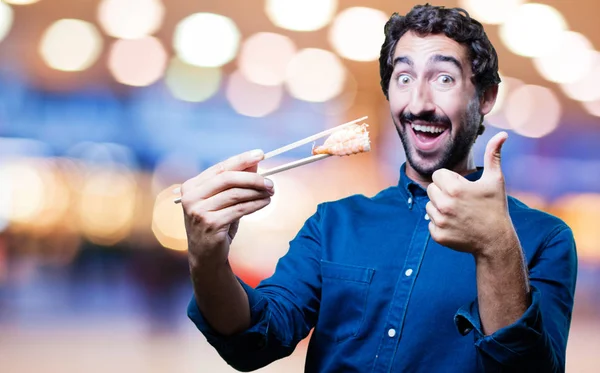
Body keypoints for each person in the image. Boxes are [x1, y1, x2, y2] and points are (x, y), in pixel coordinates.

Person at [180, 4, 577, 372]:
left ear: (485, 96)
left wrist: (496, 247)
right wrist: (206, 258)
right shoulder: (333, 224)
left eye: (443, 78)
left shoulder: (545, 238)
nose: (419, 102)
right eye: (404, 78)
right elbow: (255, 338)